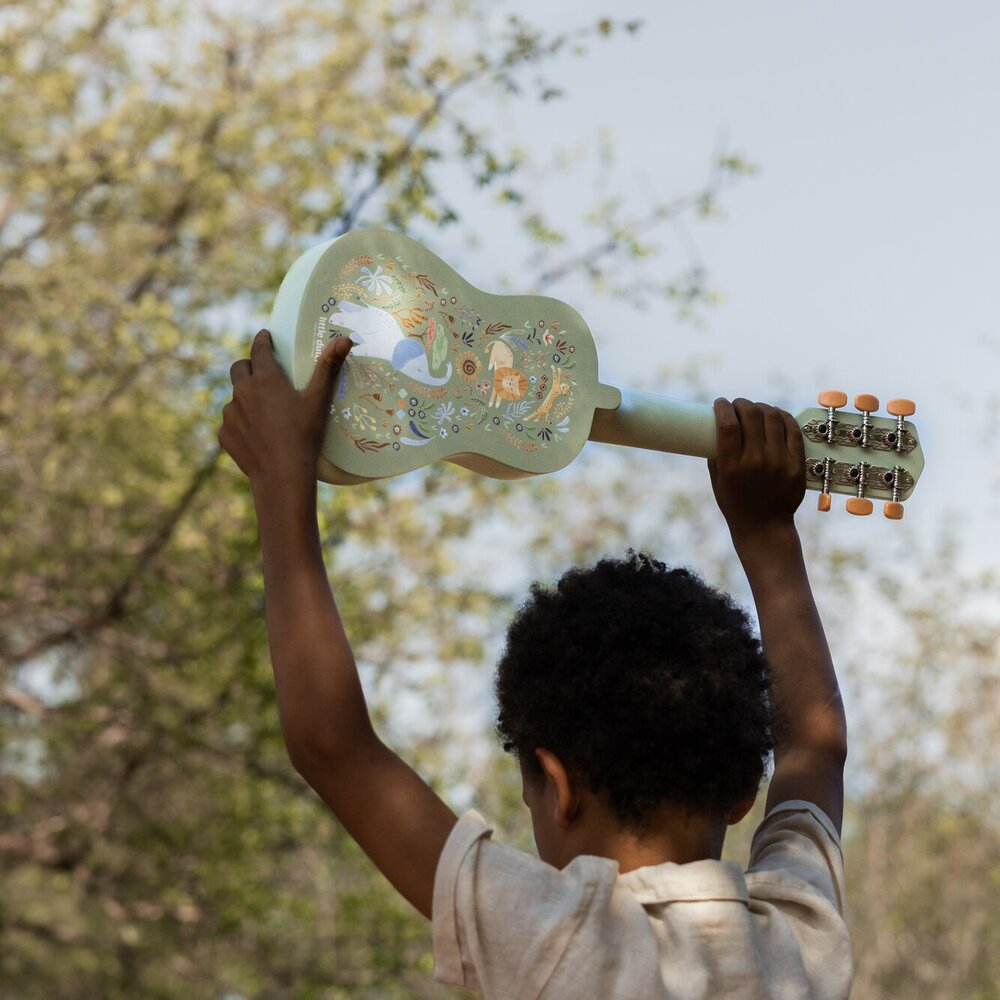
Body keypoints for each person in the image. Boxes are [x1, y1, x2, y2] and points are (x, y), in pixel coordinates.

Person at [219, 329, 852, 999]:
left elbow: (333, 745)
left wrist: (279, 479)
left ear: (558, 786)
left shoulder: (559, 937)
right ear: (741, 792)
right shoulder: (798, 940)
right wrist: (769, 535)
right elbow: (815, 747)